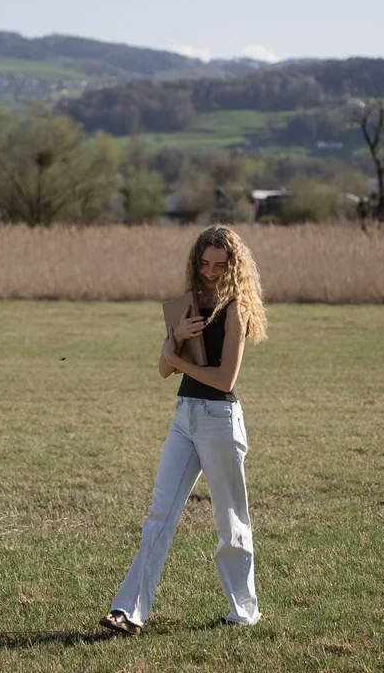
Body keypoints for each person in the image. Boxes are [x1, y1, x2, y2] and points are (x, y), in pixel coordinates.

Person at [99, 224, 268, 636]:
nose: (210, 271)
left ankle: (244, 611)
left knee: (230, 521)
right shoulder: (187, 305)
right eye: (204, 263)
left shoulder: (235, 310)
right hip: (185, 416)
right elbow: (163, 370)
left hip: (220, 421)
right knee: (160, 514)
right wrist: (172, 341)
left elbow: (225, 379)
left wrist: (179, 361)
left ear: (234, 266)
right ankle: (128, 611)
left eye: (220, 264)